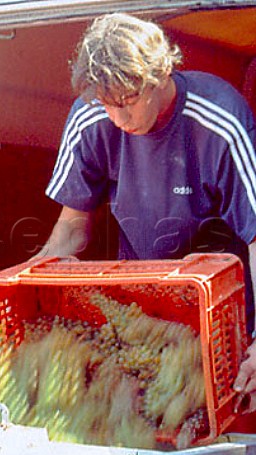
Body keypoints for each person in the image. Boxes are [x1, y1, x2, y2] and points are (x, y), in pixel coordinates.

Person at [36, 13, 256, 413]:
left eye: (129, 101)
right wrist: (30, 281)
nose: (118, 119)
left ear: (162, 74)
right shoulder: (90, 118)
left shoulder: (221, 121)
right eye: (107, 104)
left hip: (223, 313)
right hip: (143, 310)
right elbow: (71, 229)